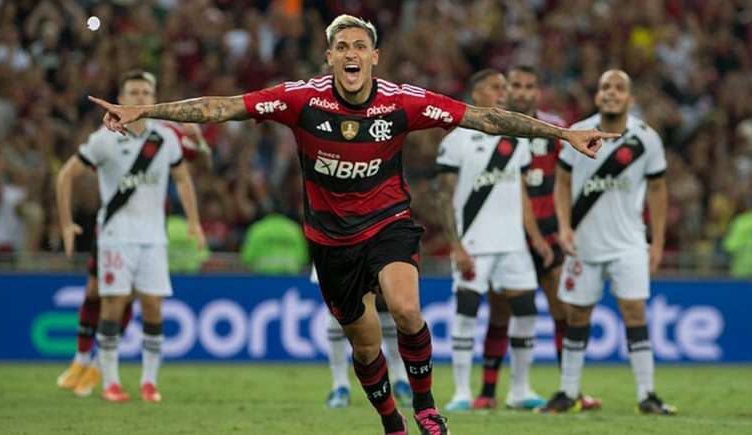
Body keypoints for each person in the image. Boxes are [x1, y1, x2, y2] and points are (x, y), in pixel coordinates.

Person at [88, 15, 615, 434]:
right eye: (342, 47)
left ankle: (428, 410)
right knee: (365, 347)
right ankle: (392, 425)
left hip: (388, 222)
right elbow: (222, 108)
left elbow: (484, 117)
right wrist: (147, 111)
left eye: (360, 46)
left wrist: (562, 134)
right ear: (331, 57)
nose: (351, 55)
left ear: (374, 57)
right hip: (330, 239)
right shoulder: (301, 99)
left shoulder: (402, 101)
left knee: (407, 308)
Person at [57, 70, 205, 403]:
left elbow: (183, 178)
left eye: (146, 92)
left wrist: (194, 220)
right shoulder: (104, 138)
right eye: (133, 92)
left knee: (153, 307)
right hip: (115, 237)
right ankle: (109, 381)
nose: (140, 97)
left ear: (154, 99)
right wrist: (66, 223)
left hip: (154, 238)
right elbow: (66, 175)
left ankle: (149, 383)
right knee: (112, 305)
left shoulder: (165, 138)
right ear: (122, 99)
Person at [540, 70, 675, 415]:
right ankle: (568, 392)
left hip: (629, 242)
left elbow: (658, 191)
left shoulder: (647, 138)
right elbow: (562, 182)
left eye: (619, 88)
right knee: (577, 314)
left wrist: (657, 243)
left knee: (635, 312)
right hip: (584, 243)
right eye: (605, 87)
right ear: (597, 96)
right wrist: (564, 228)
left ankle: (648, 395)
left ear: (630, 98)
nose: (611, 93)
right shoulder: (579, 132)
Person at [435, 69, 553, 412]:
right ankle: (460, 392)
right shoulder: (456, 138)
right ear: (477, 93)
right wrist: (455, 245)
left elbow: (520, 191)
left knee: (527, 312)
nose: (504, 93)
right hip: (474, 243)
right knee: (466, 314)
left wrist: (536, 238)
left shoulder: (516, 138)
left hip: (513, 244)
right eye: (496, 88)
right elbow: (445, 196)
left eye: (505, 88)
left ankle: (519, 389)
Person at [505, 65, 602, 411]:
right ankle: (493, 392)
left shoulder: (557, 129)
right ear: (507, 88)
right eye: (516, 85)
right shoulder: (490, 126)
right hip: (505, 232)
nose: (523, 92)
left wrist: (568, 225)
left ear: (538, 91)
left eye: (530, 86)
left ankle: (569, 388)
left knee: (562, 307)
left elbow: (572, 178)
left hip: (550, 232)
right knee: (505, 313)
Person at [311, 266, 413, 409]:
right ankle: (340, 386)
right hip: (337, 248)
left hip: (376, 247)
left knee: (388, 298)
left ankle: (400, 381)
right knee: (337, 302)